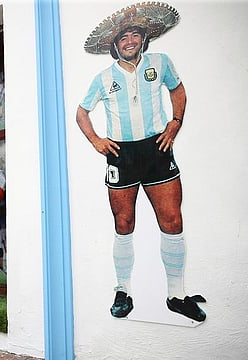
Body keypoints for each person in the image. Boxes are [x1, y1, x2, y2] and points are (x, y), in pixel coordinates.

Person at [76, 2, 206, 322]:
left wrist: (175, 122)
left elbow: (178, 91)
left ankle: (176, 295)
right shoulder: (103, 77)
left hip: (157, 149)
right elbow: (82, 113)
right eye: (123, 38)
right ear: (114, 45)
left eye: (135, 34)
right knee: (124, 224)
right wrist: (96, 140)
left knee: (172, 220)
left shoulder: (160, 63)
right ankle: (123, 291)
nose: (129, 40)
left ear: (143, 39)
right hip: (121, 154)